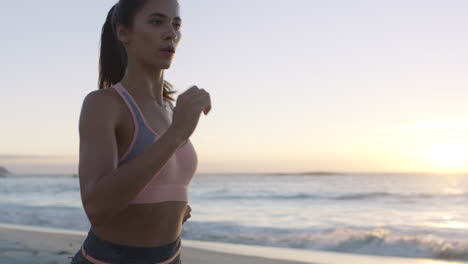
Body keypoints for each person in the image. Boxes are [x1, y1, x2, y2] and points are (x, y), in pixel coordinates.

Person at [69, 0, 211, 263]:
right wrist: (177, 134)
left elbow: (161, 184)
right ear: (124, 33)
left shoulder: (172, 109)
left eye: (176, 24)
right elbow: (97, 207)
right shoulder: (104, 104)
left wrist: (174, 209)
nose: (171, 33)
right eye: (157, 22)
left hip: (171, 257)